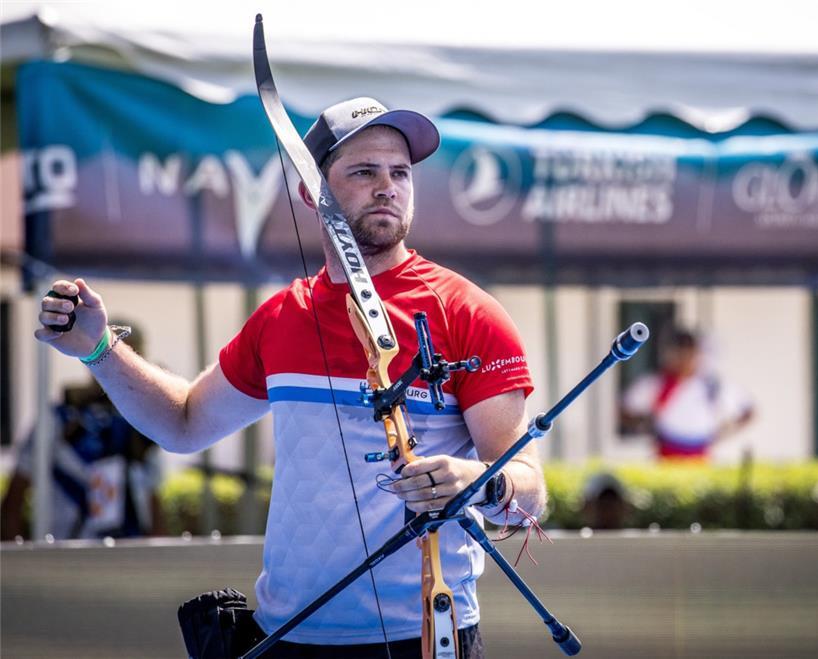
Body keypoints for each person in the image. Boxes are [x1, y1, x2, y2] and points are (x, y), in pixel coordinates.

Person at [35, 97, 545, 658]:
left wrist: (478, 480)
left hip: (424, 633)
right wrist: (99, 349)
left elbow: (528, 489)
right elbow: (183, 423)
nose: (388, 187)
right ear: (311, 191)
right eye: (364, 172)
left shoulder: (468, 313)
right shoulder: (282, 317)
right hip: (288, 634)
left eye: (400, 173)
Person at [1, 324, 164, 541]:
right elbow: (15, 497)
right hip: (68, 549)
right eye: (115, 355)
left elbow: (152, 501)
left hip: (129, 552)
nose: (123, 368)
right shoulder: (57, 419)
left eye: (133, 359)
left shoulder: (144, 423)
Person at [621, 328, 754, 460]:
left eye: (689, 354)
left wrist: (721, 433)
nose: (683, 360)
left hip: (700, 455)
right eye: (678, 354)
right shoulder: (656, 384)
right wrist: (645, 426)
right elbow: (625, 410)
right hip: (665, 454)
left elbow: (748, 412)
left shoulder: (711, 385)